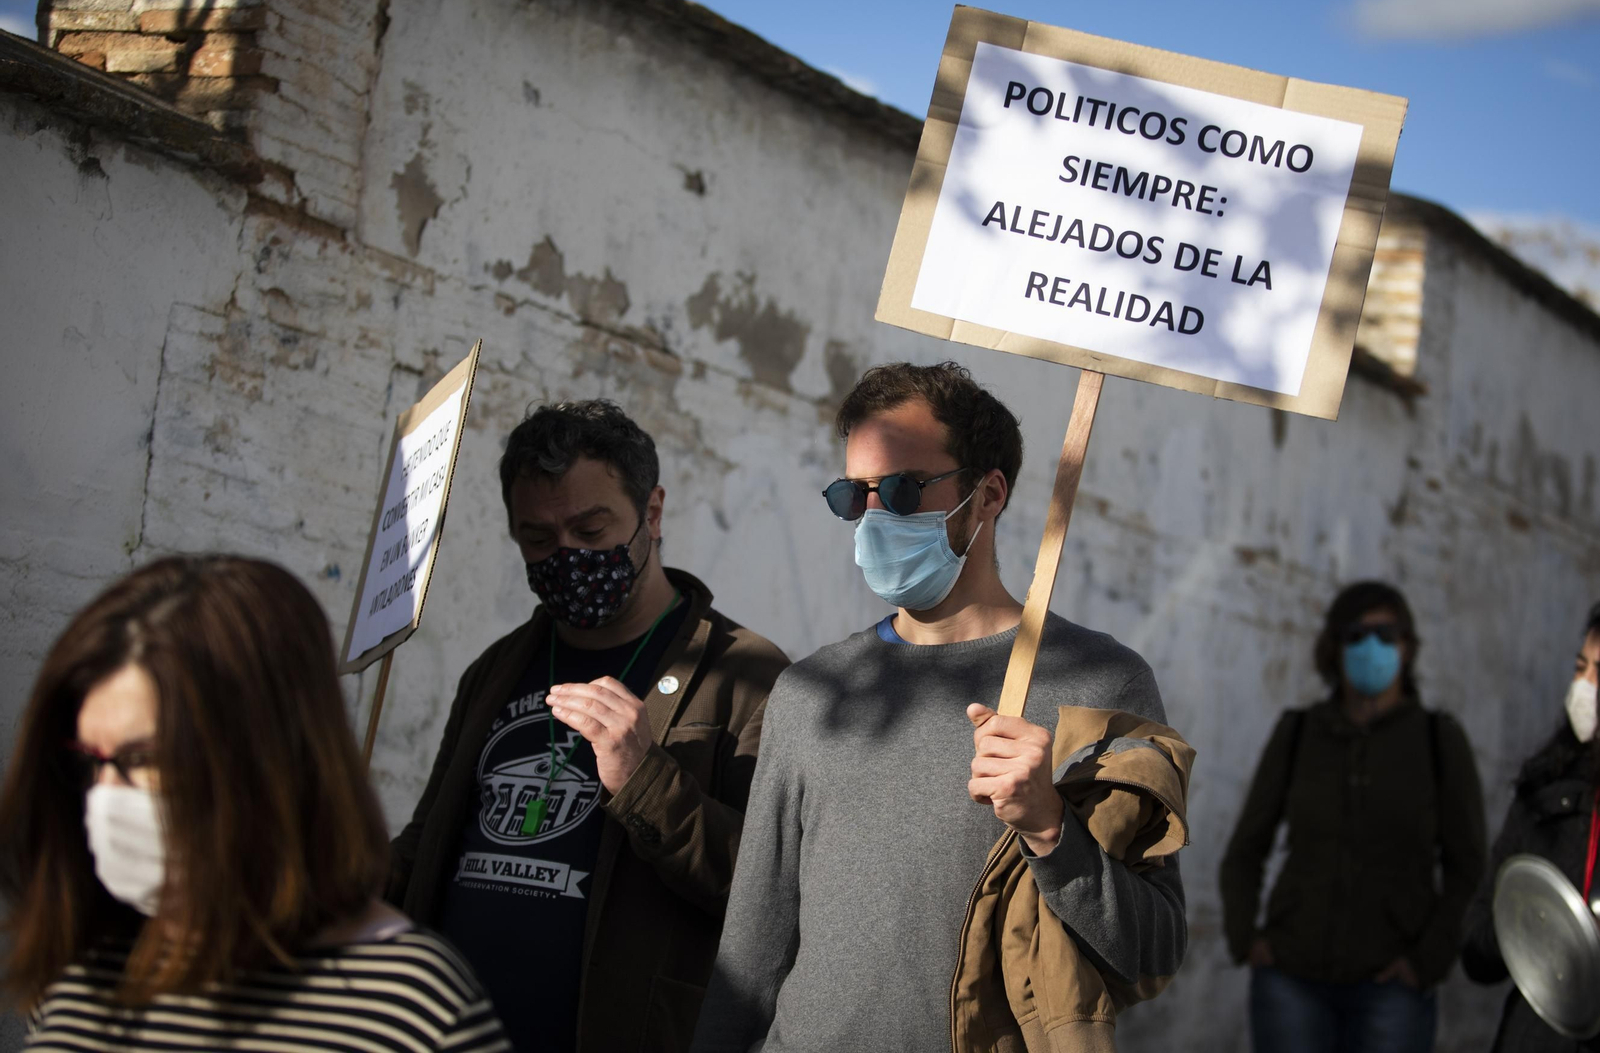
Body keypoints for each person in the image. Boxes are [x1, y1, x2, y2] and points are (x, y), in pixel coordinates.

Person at [690, 362, 1187, 1053]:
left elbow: (1155, 950)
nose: (872, 517)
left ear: (988, 494)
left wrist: (1051, 829)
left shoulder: (1102, 685)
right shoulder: (812, 694)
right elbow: (752, 948)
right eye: (852, 495)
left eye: (899, 490)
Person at [388, 399, 789, 1052]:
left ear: (651, 513)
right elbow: (427, 847)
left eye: (591, 529)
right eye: (539, 539)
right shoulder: (496, 668)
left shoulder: (747, 677)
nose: (566, 555)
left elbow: (770, 892)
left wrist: (647, 781)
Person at [0, 555, 509, 1052]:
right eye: (90, 761)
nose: (107, 795)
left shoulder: (413, 1008)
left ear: (264, 758)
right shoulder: (88, 968)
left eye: (141, 758)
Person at [1219, 580, 1486, 1053]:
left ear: (1406, 646)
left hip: (1393, 988)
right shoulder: (1299, 731)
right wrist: (1249, 940)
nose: (1371, 646)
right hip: (1290, 980)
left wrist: (1426, 962)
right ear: (1335, 647)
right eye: (1357, 634)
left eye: (1386, 634)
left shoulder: (1437, 740)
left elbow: (1468, 868)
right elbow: (1245, 849)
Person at [1461, 601, 1600, 1052]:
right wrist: (1535, 931)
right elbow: (1478, 944)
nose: (1586, 687)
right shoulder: (1546, 794)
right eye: (1581, 668)